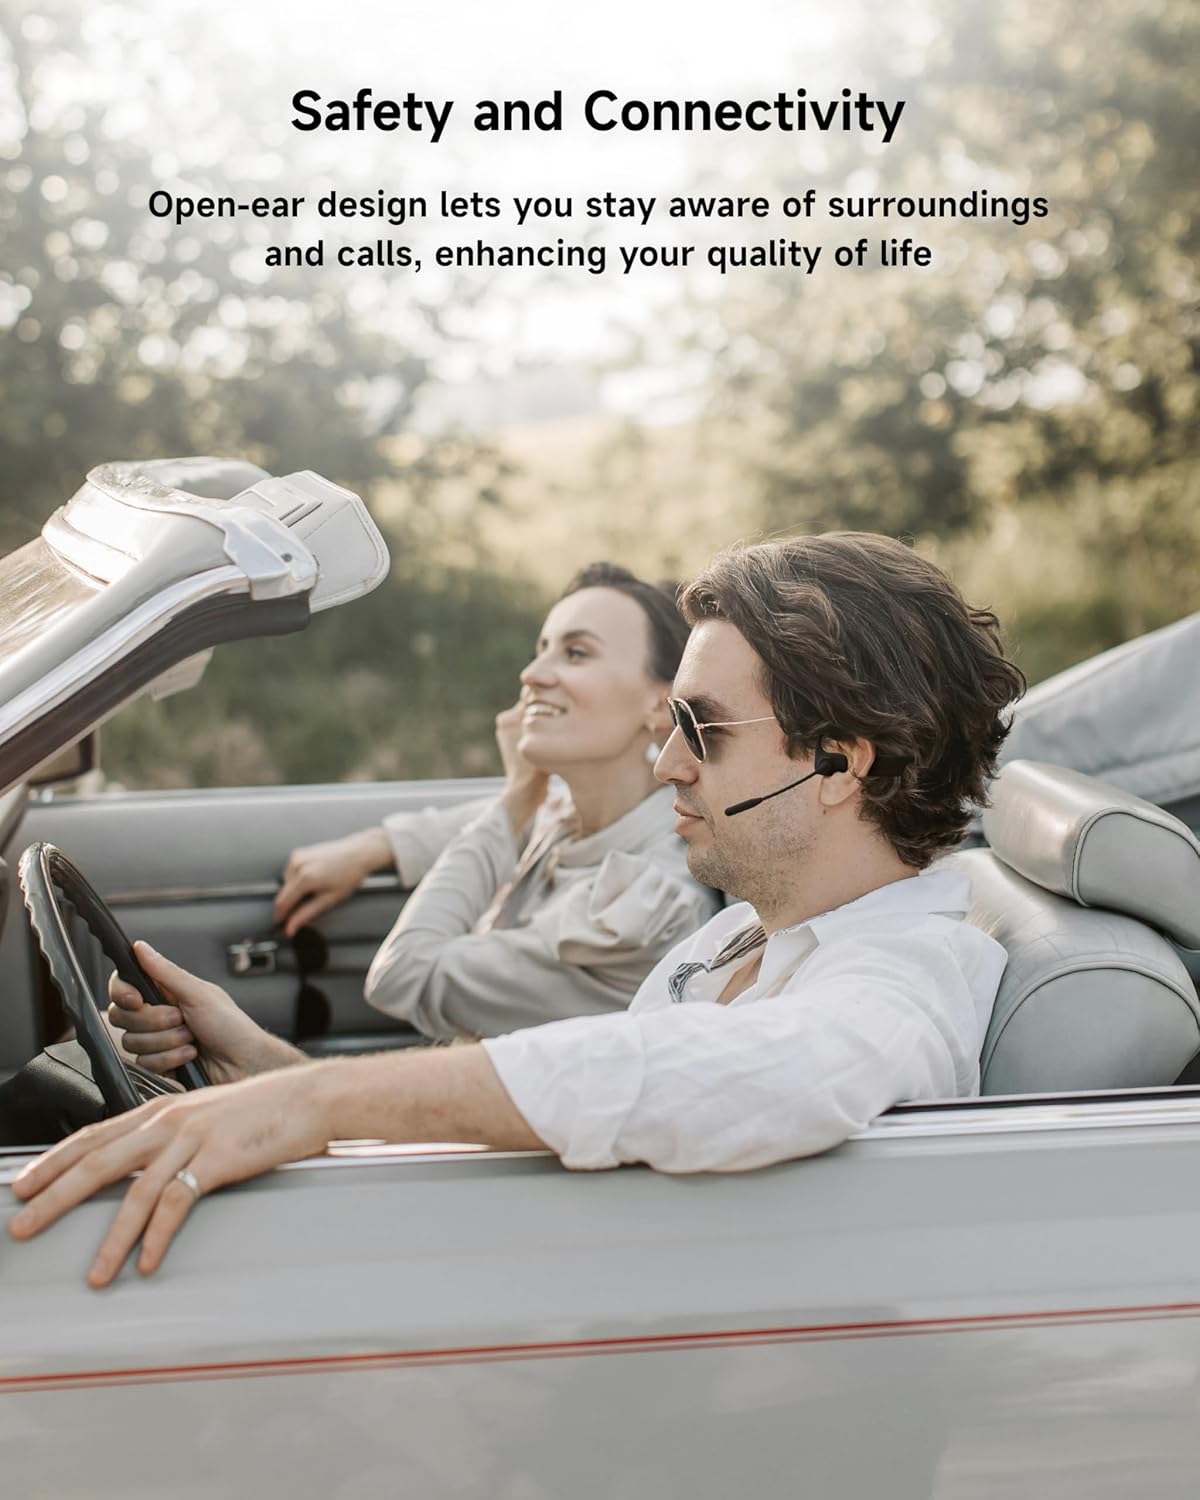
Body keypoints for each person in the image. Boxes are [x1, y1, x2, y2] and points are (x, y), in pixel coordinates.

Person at [9, 532, 1025, 1289]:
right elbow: (572, 1125)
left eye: (701, 728)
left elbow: (707, 1074)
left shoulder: (904, 979)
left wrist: (316, 1104)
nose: (667, 762)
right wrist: (268, 1071)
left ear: (839, 764)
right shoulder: (742, 933)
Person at [283, 560, 722, 1038]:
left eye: (576, 653)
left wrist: (516, 797)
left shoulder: (645, 907)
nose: (531, 674)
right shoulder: (572, 819)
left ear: (660, 704)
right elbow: (513, 815)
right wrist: (380, 845)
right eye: (541, 651)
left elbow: (402, 976)